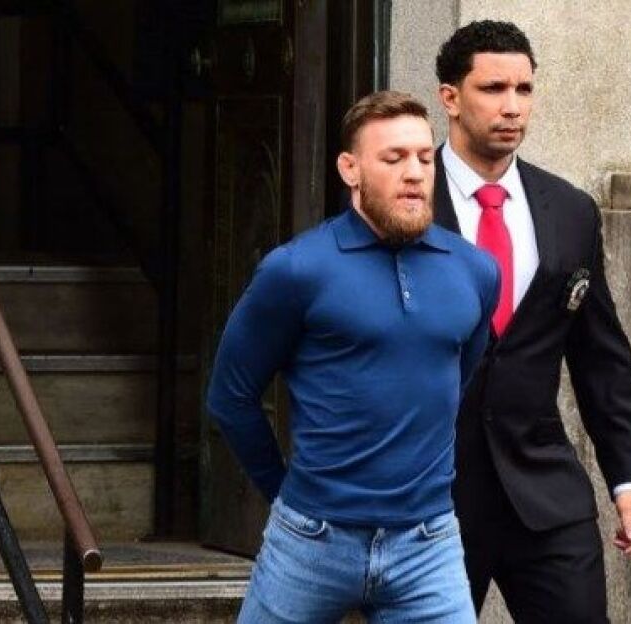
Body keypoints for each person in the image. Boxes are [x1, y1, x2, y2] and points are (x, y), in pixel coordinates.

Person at [207, 90, 499, 623]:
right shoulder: (296, 270)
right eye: (393, 158)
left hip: (428, 545)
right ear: (350, 169)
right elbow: (231, 396)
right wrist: (286, 494)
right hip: (311, 541)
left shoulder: (475, 271)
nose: (414, 173)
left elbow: (457, 383)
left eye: (424, 157)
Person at [433, 20, 631, 622]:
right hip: (431, 502)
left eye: (524, 89)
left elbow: (602, 358)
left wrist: (629, 479)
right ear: (450, 97)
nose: (512, 107)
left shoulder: (571, 211)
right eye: (493, 88)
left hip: (546, 494)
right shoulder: (408, 203)